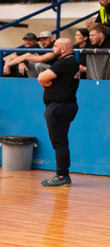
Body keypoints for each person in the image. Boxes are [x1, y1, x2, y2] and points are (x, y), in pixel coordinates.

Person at [36, 38, 79, 187]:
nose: (52, 49)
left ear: (63, 49)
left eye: (55, 46)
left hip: (58, 107)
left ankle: (62, 175)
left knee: (58, 142)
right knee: (61, 141)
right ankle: (63, 174)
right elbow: (44, 82)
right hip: (65, 106)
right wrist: (45, 83)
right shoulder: (71, 62)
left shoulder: (65, 62)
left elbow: (41, 77)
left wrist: (44, 82)